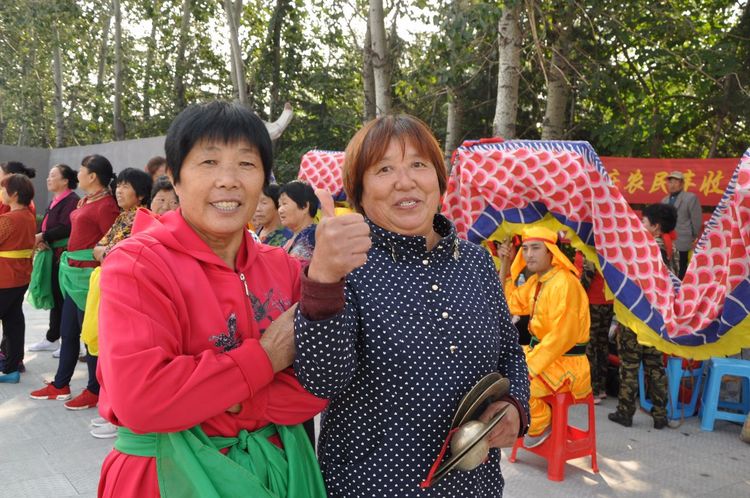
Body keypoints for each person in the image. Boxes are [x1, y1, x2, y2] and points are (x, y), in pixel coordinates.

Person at [96, 101, 327, 497]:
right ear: (176, 179)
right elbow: (142, 399)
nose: (229, 180)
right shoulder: (137, 265)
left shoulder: (284, 268)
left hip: (279, 471)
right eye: (208, 163)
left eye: (246, 165)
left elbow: (316, 387)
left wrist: (211, 400)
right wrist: (267, 358)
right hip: (166, 476)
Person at [294, 114, 530, 497]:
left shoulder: (475, 262)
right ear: (358, 190)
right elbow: (321, 381)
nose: (405, 181)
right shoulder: (345, 266)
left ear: (439, 179)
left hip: (475, 485)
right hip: (372, 485)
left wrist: (515, 409)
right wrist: (323, 280)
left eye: (418, 164)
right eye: (384, 169)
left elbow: (510, 356)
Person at [29, 154, 119, 409]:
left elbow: (110, 242)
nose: (77, 174)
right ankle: (61, 384)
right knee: (68, 333)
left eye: (81, 170)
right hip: (72, 274)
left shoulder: (106, 206)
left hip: (88, 279)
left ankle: (94, 388)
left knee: (90, 336)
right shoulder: (85, 202)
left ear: (92, 176)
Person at [497, 226, 591, 447]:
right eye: (526, 248)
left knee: (515, 382)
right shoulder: (537, 282)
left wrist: (528, 369)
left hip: (566, 362)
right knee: (495, 368)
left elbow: (561, 338)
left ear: (551, 252)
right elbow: (505, 303)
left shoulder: (565, 283)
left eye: (536, 248)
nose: (529, 254)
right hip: (544, 355)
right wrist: (505, 264)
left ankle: (541, 422)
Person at [608, 203, 677, 430]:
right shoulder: (670, 247)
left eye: (644, 222)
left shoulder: (646, 248)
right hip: (658, 319)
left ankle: (625, 412)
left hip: (637, 317)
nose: (640, 226)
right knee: (655, 366)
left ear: (655, 227)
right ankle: (660, 415)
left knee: (629, 364)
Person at [28, 164, 81, 354]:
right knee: (55, 296)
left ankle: (70, 341)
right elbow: (48, 227)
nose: (48, 179)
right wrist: (43, 238)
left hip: (64, 256)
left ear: (65, 180)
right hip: (52, 253)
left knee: (64, 299)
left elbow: (66, 228)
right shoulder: (56, 200)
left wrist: (43, 237)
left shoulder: (72, 201)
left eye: (52, 175)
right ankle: (52, 337)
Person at [0, 174, 36, 383]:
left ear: (13, 195)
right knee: (14, 322)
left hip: (5, 277)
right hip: (20, 277)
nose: (1, 193)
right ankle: (12, 368)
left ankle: (12, 368)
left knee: (13, 322)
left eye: (4, 189)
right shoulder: (28, 216)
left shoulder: (9, 219)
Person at [578, 253, 614, 404]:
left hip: (593, 302)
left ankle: (592, 389)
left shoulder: (590, 248)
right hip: (608, 301)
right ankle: (601, 387)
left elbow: (588, 273)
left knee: (591, 346)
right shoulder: (607, 246)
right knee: (602, 344)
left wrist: (577, 293)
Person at [661, 171, 702, 279]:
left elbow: (696, 220)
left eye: (676, 182)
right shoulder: (664, 200)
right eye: (670, 182)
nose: (672, 185)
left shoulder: (690, 198)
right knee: (667, 268)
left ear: (682, 184)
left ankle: (681, 293)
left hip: (683, 240)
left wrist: (692, 236)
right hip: (666, 242)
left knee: (682, 270)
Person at [278, 180, 317, 262]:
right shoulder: (289, 239)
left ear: (305, 207)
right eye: (279, 205)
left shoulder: (313, 236)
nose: (280, 210)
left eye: (284, 203)